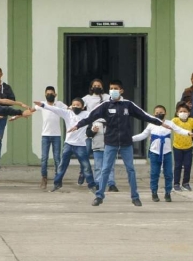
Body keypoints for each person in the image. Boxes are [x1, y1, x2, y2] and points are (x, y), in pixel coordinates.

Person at [69, 79, 167, 207]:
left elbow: (144, 115)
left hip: (126, 143)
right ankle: (99, 196)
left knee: (131, 170)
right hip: (110, 142)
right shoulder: (105, 105)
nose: (113, 91)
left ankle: (135, 197)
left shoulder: (128, 105)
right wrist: (78, 125)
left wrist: (160, 122)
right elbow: (90, 117)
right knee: (105, 170)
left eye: (116, 88)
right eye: (111, 88)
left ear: (121, 91)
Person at [34, 98, 97, 193]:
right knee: (62, 165)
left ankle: (92, 185)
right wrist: (43, 105)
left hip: (80, 145)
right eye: (74, 105)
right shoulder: (67, 113)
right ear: (71, 106)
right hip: (68, 144)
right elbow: (55, 109)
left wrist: (94, 128)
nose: (75, 107)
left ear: (83, 107)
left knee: (86, 166)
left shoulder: (86, 114)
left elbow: (96, 117)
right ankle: (57, 184)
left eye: (78, 105)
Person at [132, 105, 193, 202]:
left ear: (165, 113)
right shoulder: (151, 124)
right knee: (154, 173)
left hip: (167, 153)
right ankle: (154, 193)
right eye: (157, 113)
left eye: (161, 112)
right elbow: (143, 135)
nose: (159, 114)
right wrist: (131, 139)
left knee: (168, 174)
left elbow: (179, 130)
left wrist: (188, 133)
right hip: (154, 152)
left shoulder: (170, 123)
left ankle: (168, 193)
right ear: (153, 114)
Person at [80, 78, 118, 190]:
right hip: (95, 127)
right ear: (91, 87)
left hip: (109, 127)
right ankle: (97, 182)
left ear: (102, 87)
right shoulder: (87, 98)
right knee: (97, 159)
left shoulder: (107, 97)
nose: (97, 87)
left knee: (110, 157)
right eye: (95, 85)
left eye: (99, 85)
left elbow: (119, 101)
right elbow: (77, 104)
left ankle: (111, 183)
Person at [35, 86, 66, 189]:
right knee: (44, 159)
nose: (49, 95)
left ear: (55, 95)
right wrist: (18, 115)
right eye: (48, 93)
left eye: (51, 93)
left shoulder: (59, 104)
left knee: (57, 158)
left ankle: (58, 179)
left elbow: (69, 109)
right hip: (45, 135)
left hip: (57, 135)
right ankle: (44, 178)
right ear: (45, 94)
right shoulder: (42, 104)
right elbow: (31, 110)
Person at [86, 119, 118, 194]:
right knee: (98, 167)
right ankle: (98, 183)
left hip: (110, 147)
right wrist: (93, 131)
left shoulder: (113, 120)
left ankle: (111, 184)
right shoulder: (93, 121)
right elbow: (88, 133)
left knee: (110, 167)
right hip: (97, 147)